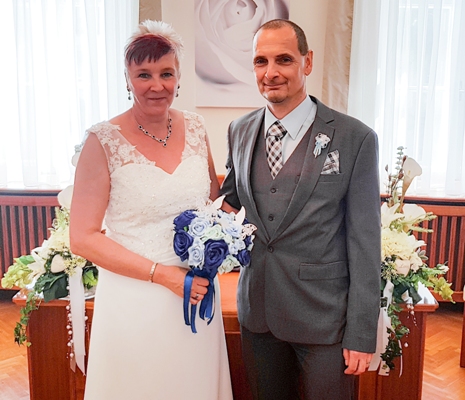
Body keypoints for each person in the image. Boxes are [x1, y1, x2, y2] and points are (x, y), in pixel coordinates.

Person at [70, 20, 233, 400]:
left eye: (166, 73)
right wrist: (163, 276)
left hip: (195, 292)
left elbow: (213, 204)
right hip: (134, 296)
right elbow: (83, 238)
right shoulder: (102, 141)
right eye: (144, 74)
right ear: (127, 80)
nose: (156, 85)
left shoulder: (196, 127)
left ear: (179, 78)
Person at [220, 19, 381, 399]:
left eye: (284, 60)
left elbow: (365, 242)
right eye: (261, 61)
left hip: (324, 318)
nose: (271, 73)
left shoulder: (355, 137)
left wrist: (361, 333)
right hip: (258, 313)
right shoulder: (238, 131)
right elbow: (227, 203)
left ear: (307, 62)